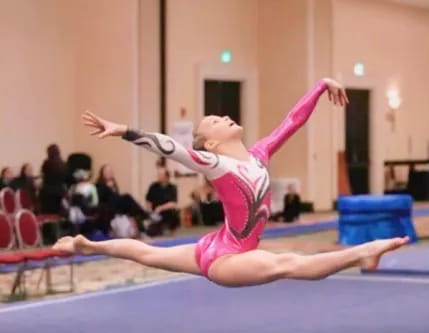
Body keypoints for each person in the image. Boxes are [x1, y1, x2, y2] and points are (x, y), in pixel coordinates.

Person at [54, 78, 408, 288]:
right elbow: (172, 148)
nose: (224, 116)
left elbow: (292, 122)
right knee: (289, 264)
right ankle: (364, 251)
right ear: (209, 142)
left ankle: (89, 246)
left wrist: (320, 86)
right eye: (215, 121)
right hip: (228, 258)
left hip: (215, 244)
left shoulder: (259, 156)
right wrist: (125, 132)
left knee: (150, 254)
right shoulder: (215, 163)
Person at [146, 165, 180, 236]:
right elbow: (148, 201)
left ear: (166, 177)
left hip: (167, 212)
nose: (158, 176)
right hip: (155, 214)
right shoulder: (153, 186)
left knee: (175, 212)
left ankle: (173, 231)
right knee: (151, 232)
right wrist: (150, 213)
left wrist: (160, 208)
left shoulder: (172, 187)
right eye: (158, 174)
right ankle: (158, 228)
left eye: (160, 175)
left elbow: (173, 203)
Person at [39, 144, 67, 215]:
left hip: (48, 191)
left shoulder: (46, 163)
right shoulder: (63, 164)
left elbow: (43, 176)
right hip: (60, 191)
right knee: (58, 214)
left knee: (48, 214)